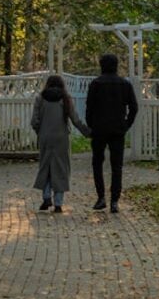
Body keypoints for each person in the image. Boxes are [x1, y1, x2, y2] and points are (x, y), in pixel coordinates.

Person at [85, 53, 138, 214]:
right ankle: (115, 201)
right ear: (116, 66)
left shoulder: (96, 84)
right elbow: (134, 108)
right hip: (117, 130)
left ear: (102, 65)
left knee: (97, 163)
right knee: (117, 166)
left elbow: (89, 108)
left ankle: (101, 197)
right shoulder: (125, 84)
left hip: (99, 129)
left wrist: (91, 125)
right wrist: (126, 125)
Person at [31, 74, 90, 213]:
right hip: (61, 138)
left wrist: (40, 132)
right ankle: (58, 203)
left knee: (46, 167)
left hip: (45, 137)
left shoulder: (40, 98)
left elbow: (34, 121)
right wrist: (87, 132)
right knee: (61, 169)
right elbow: (75, 119)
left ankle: (46, 197)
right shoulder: (65, 98)